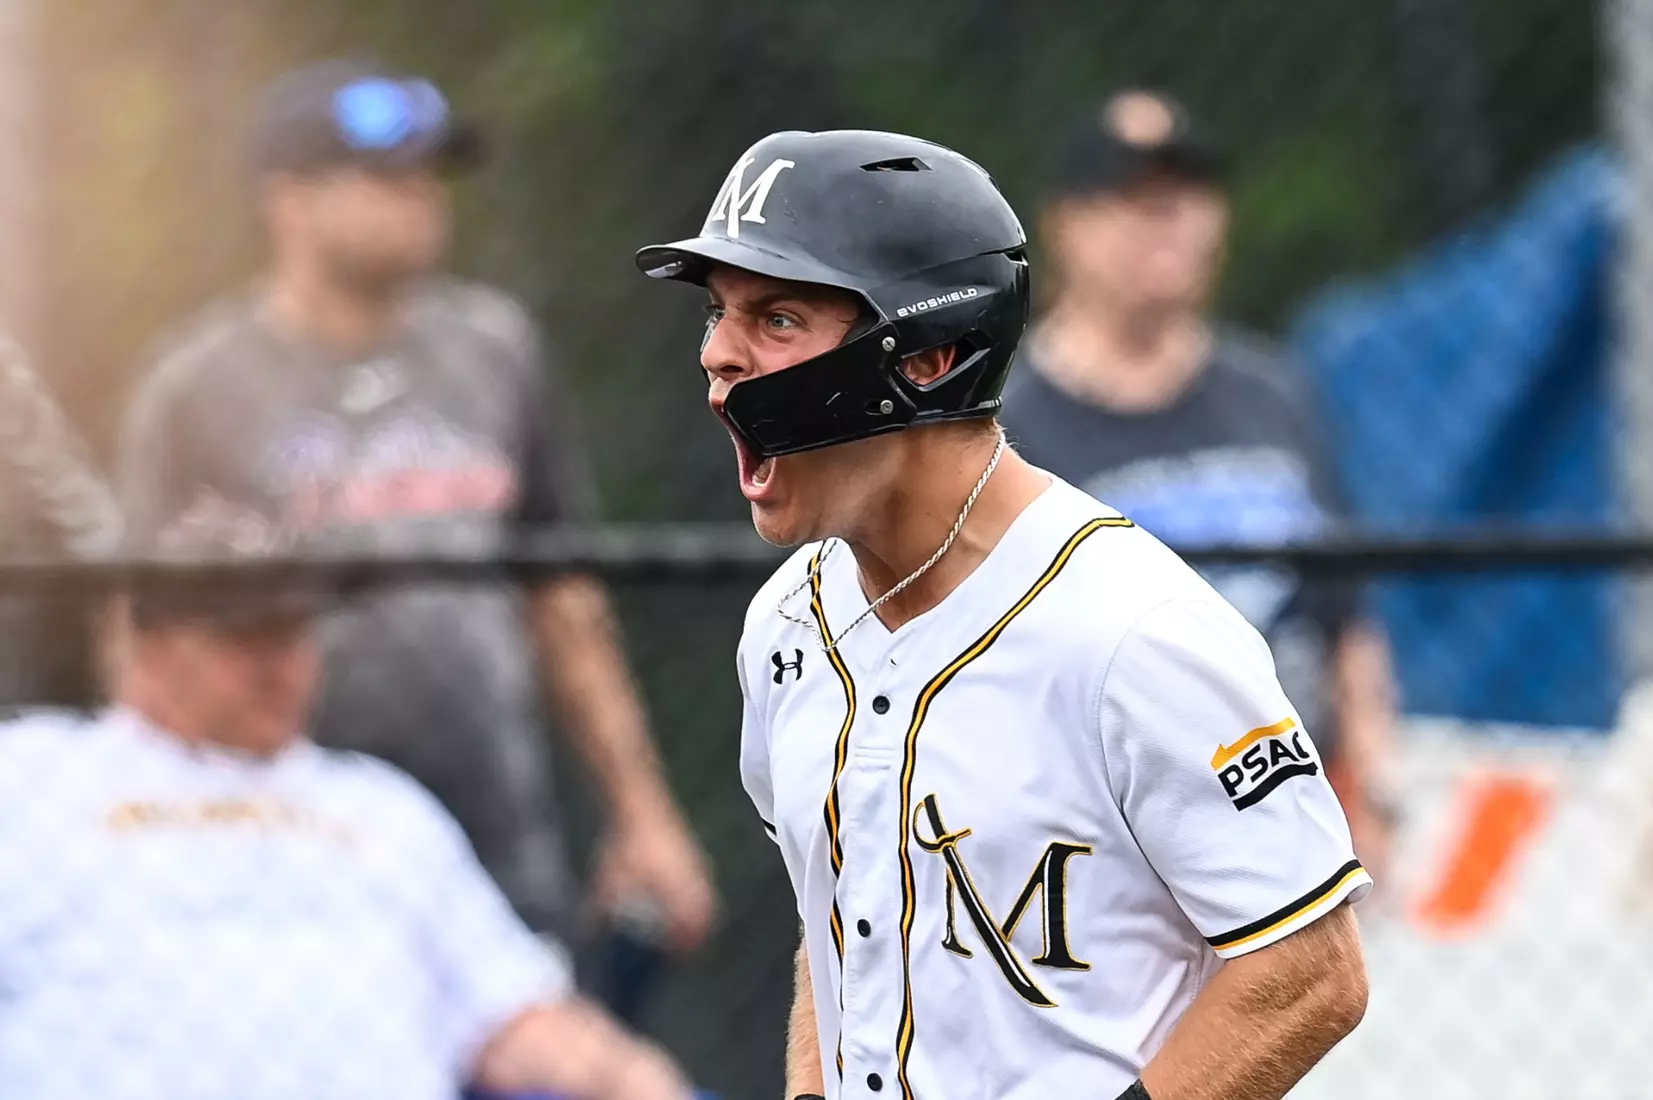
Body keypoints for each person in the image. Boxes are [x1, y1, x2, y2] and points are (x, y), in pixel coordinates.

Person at [637, 130, 1371, 1100]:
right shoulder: (785, 627)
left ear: (932, 354)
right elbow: (838, 928)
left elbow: (1310, 970)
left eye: (776, 317)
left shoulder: (1132, 628)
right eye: (719, 313)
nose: (719, 353)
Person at [117, 59, 716, 968]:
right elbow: (140, 639)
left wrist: (641, 815)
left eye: (429, 178)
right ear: (290, 202)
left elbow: (562, 599)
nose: (422, 201)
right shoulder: (196, 384)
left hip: (494, 840)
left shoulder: (494, 350)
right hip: (290, 853)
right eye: (386, 180)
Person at [0, 496, 695, 1100]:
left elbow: (512, 1017)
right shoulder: (33, 775)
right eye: (247, 636)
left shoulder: (380, 808)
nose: (285, 662)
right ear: (147, 643)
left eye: (296, 629)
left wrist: (638, 1081)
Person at [999, 90, 1398, 878]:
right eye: (1135, 199)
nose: (1171, 218)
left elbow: (1345, 616)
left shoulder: (1271, 393)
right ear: (1064, 225)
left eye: (1187, 196)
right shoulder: (1008, 426)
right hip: (1105, 847)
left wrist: (1376, 789)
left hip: (1290, 823)